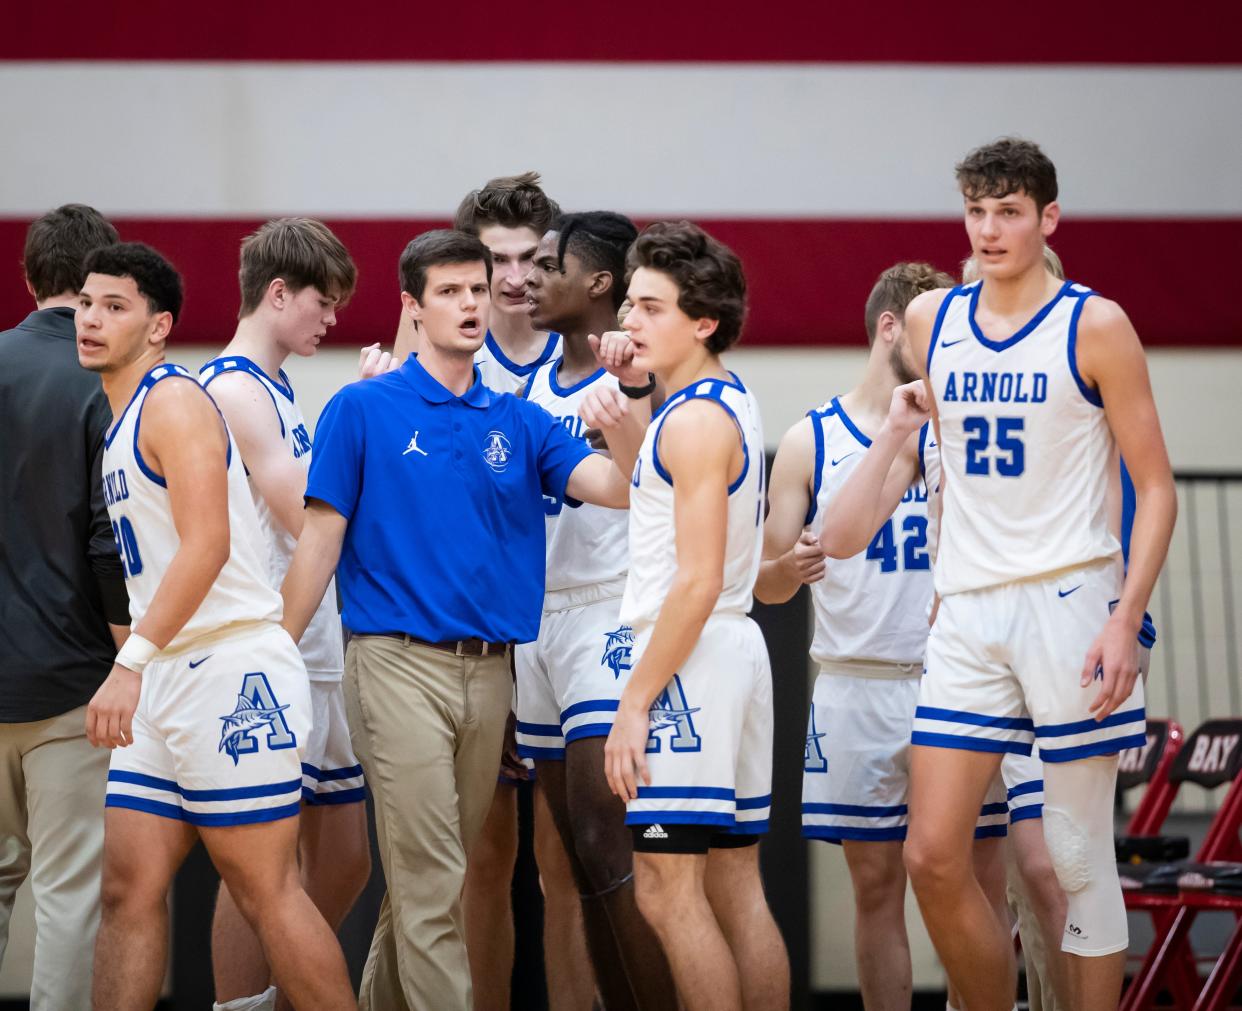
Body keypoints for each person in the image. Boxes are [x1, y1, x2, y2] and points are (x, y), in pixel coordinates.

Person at [821, 138, 1176, 1010]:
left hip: (1069, 595)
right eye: (976, 211)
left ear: (1048, 218)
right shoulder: (935, 319)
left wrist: (1126, 617)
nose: (989, 228)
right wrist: (902, 432)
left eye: (1009, 210)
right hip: (970, 611)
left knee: (1075, 856)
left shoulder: (1096, 323)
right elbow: (906, 483)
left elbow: (1157, 485)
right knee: (931, 854)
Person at [279, 229, 639, 1011]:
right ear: (412, 308)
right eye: (450, 291)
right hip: (394, 661)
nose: (472, 303)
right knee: (435, 875)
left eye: (477, 288)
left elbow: (620, 486)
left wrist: (630, 404)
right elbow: (318, 543)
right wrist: (274, 650)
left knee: (424, 882)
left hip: (491, 672)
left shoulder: (521, 417)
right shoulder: (361, 408)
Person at [76, 242, 355, 1011]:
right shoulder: (118, 417)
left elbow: (209, 544)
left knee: (267, 888)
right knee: (126, 888)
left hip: (229, 664)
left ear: (160, 325)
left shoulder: (174, 399)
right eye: (87, 303)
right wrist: (141, 662)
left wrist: (128, 659)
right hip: (169, 670)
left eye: (115, 306)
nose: (91, 319)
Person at [756, 261, 1013, 1011]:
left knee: (976, 873)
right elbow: (766, 584)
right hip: (853, 681)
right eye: (930, 333)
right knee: (876, 887)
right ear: (890, 328)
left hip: (951, 676)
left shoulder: (957, 429)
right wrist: (789, 565)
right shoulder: (811, 438)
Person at [584, 221, 790, 1011]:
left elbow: (697, 579)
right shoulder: (715, 401)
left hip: (692, 658)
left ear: (702, 322)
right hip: (726, 652)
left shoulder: (698, 419)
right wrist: (627, 413)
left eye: (650, 308)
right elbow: (657, 498)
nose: (628, 321)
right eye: (629, 303)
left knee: (669, 892)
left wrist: (634, 700)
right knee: (735, 887)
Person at [200, 218, 369, 1011]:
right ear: (277, 293)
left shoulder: (277, 387)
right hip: (267, 646)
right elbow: (304, 515)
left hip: (312, 645)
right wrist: (369, 416)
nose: (330, 322)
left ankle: (275, 991)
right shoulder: (231, 388)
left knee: (344, 859)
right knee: (258, 872)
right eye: (322, 304)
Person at [516, 211, 677, 1010]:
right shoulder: (529, 381)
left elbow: (669, 490)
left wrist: (633, 401)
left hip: (611, 614)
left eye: (550, 266)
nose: (530, 280)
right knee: (575, 865)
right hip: (536, 623)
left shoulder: (638, 371)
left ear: (599, 283)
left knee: (607, 843)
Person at [0, 204, 125, 1010]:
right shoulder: (100, 385)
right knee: (69, 892)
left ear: (27, 275)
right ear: (92, 286)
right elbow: (108, 543)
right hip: (72, 686)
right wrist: (133, 658)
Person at [456, 171, 563, 393]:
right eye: (498, 259)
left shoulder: (585, 342)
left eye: (528, 257)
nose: (516, 279)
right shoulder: (445, 340)